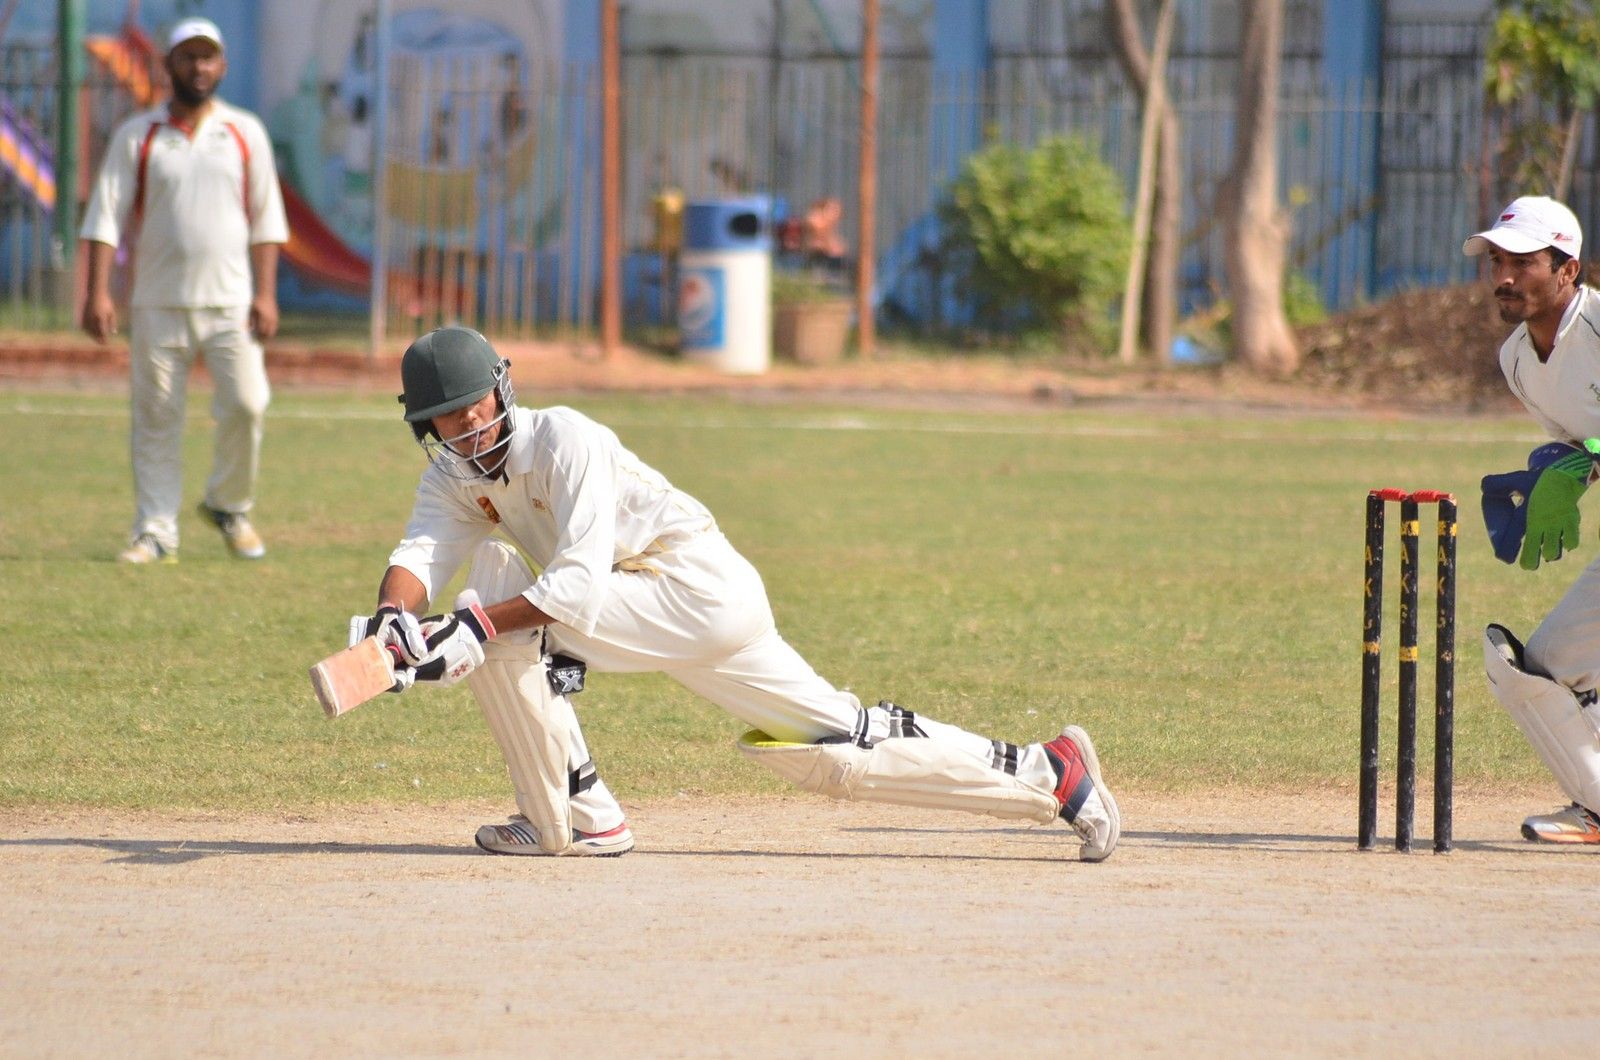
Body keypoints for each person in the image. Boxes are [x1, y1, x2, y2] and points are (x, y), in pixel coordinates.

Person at [352, 325, 1120, 861]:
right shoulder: (453, 478)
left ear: (501, 389)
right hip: (658, 606)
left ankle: (579, 815)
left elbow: (575, 586)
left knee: (499, 602)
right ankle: (1047, 774)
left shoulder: (565, 440)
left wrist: (470, 632)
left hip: (692, 588)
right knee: (833, 752)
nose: (466, 426)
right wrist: (393, 617)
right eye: (446, 418)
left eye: (474, 406)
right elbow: (420, 554)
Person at [79, 16, 288, 564]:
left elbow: (267, 220)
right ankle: (155, 531)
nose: (198, 67)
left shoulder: (244, 132)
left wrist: (266, 294)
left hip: (232, 302)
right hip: (157, 301)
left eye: (207, 57)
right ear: (167, 64)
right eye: (188, 56)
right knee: (156, 417)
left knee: (248, 403)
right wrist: (97, 293)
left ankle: (228, 504)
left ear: (222, 66)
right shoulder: (138, 134)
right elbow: (105, 216)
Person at [1468, 195, 1600, 845]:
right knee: (1550, 664)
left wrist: (1586, 460)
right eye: (1498, 261)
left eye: (1522, 263)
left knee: (1552, 663)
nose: (1504, 277)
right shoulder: (1516, 360)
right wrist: (1559, 472)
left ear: (1568, 269)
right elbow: (1579, 443)